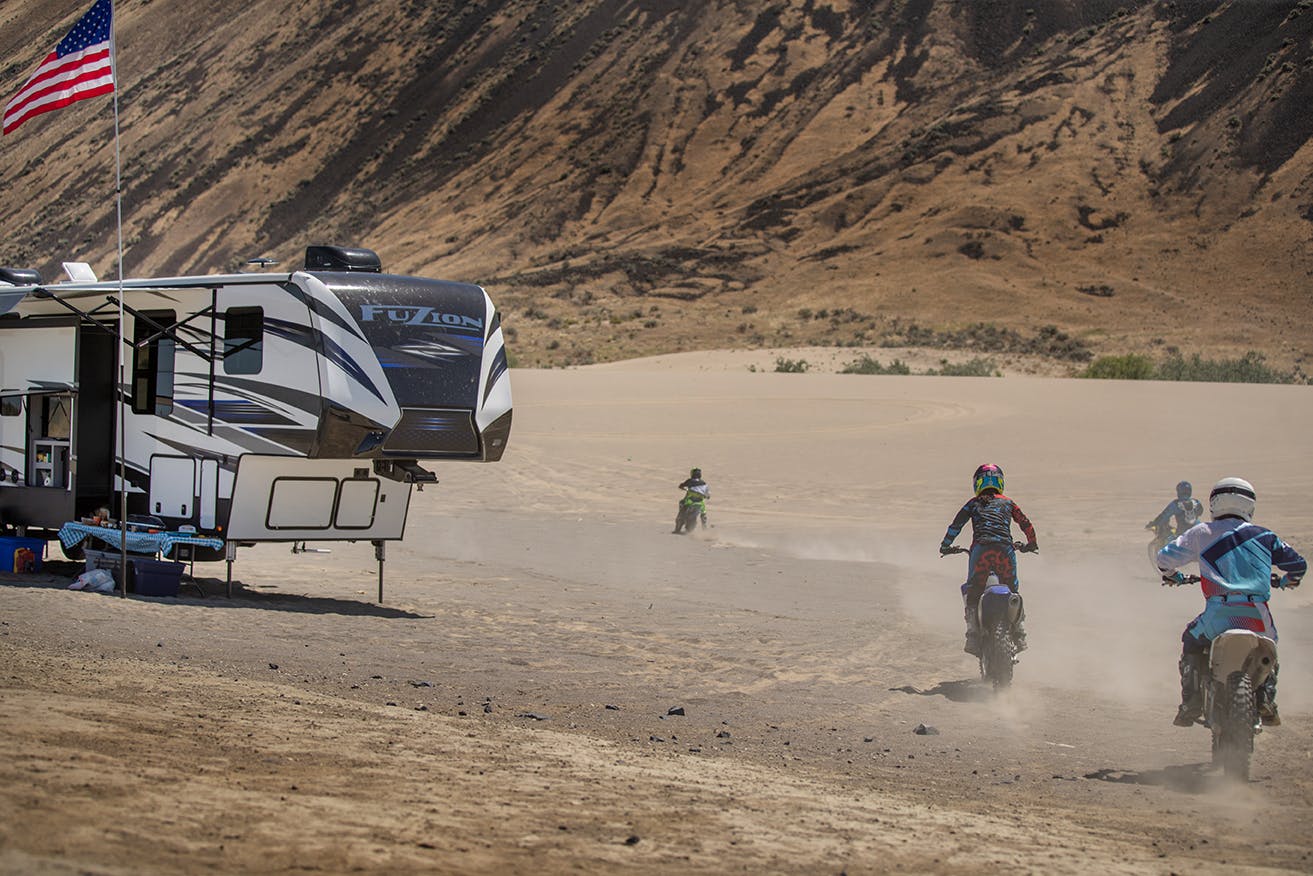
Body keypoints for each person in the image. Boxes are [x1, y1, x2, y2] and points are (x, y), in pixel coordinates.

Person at [1157, 477, 1305, 727]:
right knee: (1270, 650)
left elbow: (1164, 559)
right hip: (1257, 614)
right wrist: (1288, 580)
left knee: (1190, 640)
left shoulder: (1201, 532)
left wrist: (1172, 575)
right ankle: (1266, 698)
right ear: (1250, 504)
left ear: (1214, 503)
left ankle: (1191, 703)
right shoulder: (1265, 536)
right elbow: (1298, 565)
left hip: (1218, 614)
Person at [939, 464, 1039, 656]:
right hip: (1005, 551)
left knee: (973, 592)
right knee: (1013, 590)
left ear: (977, 483)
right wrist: (1031, 544)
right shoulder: (1008, 503)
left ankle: (972, 635)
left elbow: (955, 526)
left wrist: (945, 546)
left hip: (981, 551)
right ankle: (1020, 632)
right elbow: (1026, 524)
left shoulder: (972, 503)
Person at [1145, 481, 1204, 547]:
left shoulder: (1176, 504)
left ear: (1179, 491)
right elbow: (1201, 511)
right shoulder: (1197, 502)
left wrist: (1155, 523)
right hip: (1198, 531)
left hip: (1182, 533)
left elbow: (1164, 516)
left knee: (1167, 542)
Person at [673, 468, 710, 533]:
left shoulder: (689, 481)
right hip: (700, 503)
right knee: (703, 514)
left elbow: (681, 486)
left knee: (682, 504)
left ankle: (678, 528)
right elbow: (708, 495)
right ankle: (705, 529)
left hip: (690, 501)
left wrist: (683, 488)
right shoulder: (704, 484)